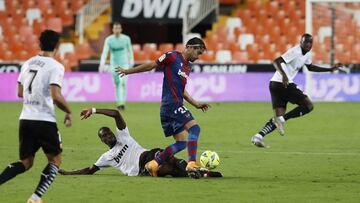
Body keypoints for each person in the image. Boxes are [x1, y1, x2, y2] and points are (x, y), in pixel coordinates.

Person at [116, 37, 210, 176]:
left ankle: (154, 164)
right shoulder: (172, 56)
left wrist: (196, 104)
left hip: (170, 107)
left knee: (182, 142)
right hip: (171, 105)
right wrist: (128, 71)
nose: (198, 56)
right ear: (189, 47)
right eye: (198, 52)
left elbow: (182, 90)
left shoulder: (186, 67)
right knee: (195, 128)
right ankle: (191, 163)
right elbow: (151, 65)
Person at [0, 30, 72, 203]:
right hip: (44, 119)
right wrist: (68, 111)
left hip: (25, 118)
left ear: (40, 44)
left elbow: (19, 92)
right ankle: (35, 198)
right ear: (57, 46)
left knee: (26, 162)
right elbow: (56, 95)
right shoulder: (56, 66)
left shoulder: (28, 63)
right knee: (55, 160)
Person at [58, 108, 221, 178]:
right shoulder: (107, 157)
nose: (108, 137)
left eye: (108, 133)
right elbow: (89, 170)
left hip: (149, 154)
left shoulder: (123, 135)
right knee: (170, 170)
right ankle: (201, 173)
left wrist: (94, 110)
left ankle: (197, 170)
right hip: (141, 169)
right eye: (105, 137)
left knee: (171, 158)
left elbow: (115, 113)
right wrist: (68, 173)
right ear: (102, 141)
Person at [251, 33, 342, 148]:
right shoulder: (295, 51)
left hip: (275, 85)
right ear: (301, 42)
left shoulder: (307, 55)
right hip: (282, 83)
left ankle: (258, 136)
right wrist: (284, 75)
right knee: (308, 106)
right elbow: (276, 61)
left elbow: (310, 67)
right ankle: (282, 119)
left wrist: (330, 69)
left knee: (278, 120)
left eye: (310, 42)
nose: (308, 44)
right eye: (306, 42)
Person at [99, 21, 134, 110]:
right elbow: (105, 52)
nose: (117, 30)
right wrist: (102, 63)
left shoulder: (126, 39)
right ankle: (119, 102)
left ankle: (122, 103)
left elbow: (130, 51)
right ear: (113, 29)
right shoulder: (109, 40)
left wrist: (131, 61)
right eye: (115, 28)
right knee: (117, 83)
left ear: (121, 29)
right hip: (114, 65)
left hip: (124, 64)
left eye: (118, 28)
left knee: (123, 83)